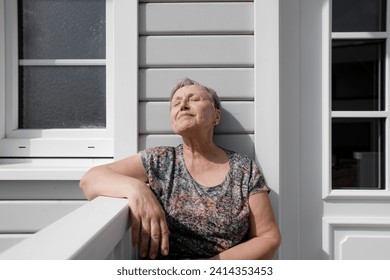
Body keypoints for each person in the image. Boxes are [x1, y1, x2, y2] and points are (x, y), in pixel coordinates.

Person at [79, 78, 281, 259]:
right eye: (176, 103)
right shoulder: (160, 161)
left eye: (194, 99)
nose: (183, 105)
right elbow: (90, 180)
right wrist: (137, 189)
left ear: (216, 116)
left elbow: (268, 237)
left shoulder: (243, 169)